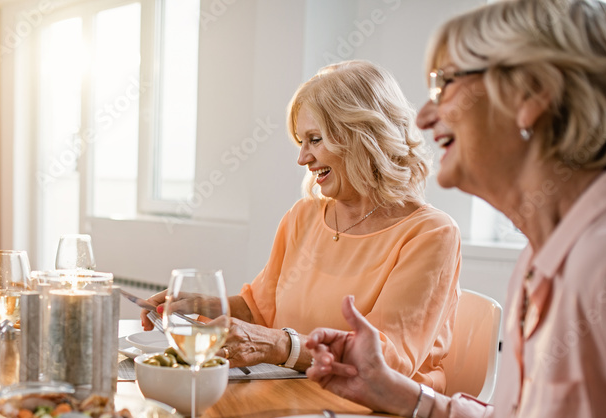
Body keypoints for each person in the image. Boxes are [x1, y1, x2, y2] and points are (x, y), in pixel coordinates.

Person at [305, 0, 606, 418]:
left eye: (445, 84)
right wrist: (401, 393)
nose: (422, 116)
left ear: (530, 94)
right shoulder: (544, 253)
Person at [142, 61, 460, 391]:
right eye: (301, 142)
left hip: (380, 413)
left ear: (363, 136)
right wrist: (202, 305)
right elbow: (262, 311)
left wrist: (282, 347)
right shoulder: (303, 217)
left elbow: (386, 360)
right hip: (296, 395)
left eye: (315, 139)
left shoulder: (430, 234)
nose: (303, 158)